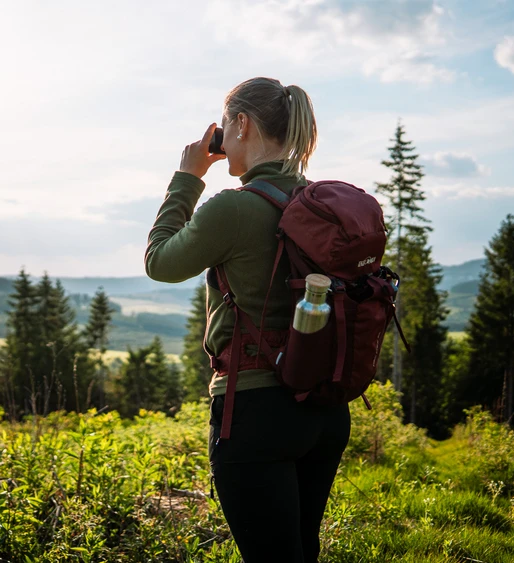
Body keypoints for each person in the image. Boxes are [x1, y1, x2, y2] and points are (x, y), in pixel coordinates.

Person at [144, 77, 351, 562]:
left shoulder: (234, 207)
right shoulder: (319, 202)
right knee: (300, 551)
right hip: (323, 410)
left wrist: (189, 177)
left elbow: (160, 262)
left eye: (227, 124)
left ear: (241, 123)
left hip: (256, 411)